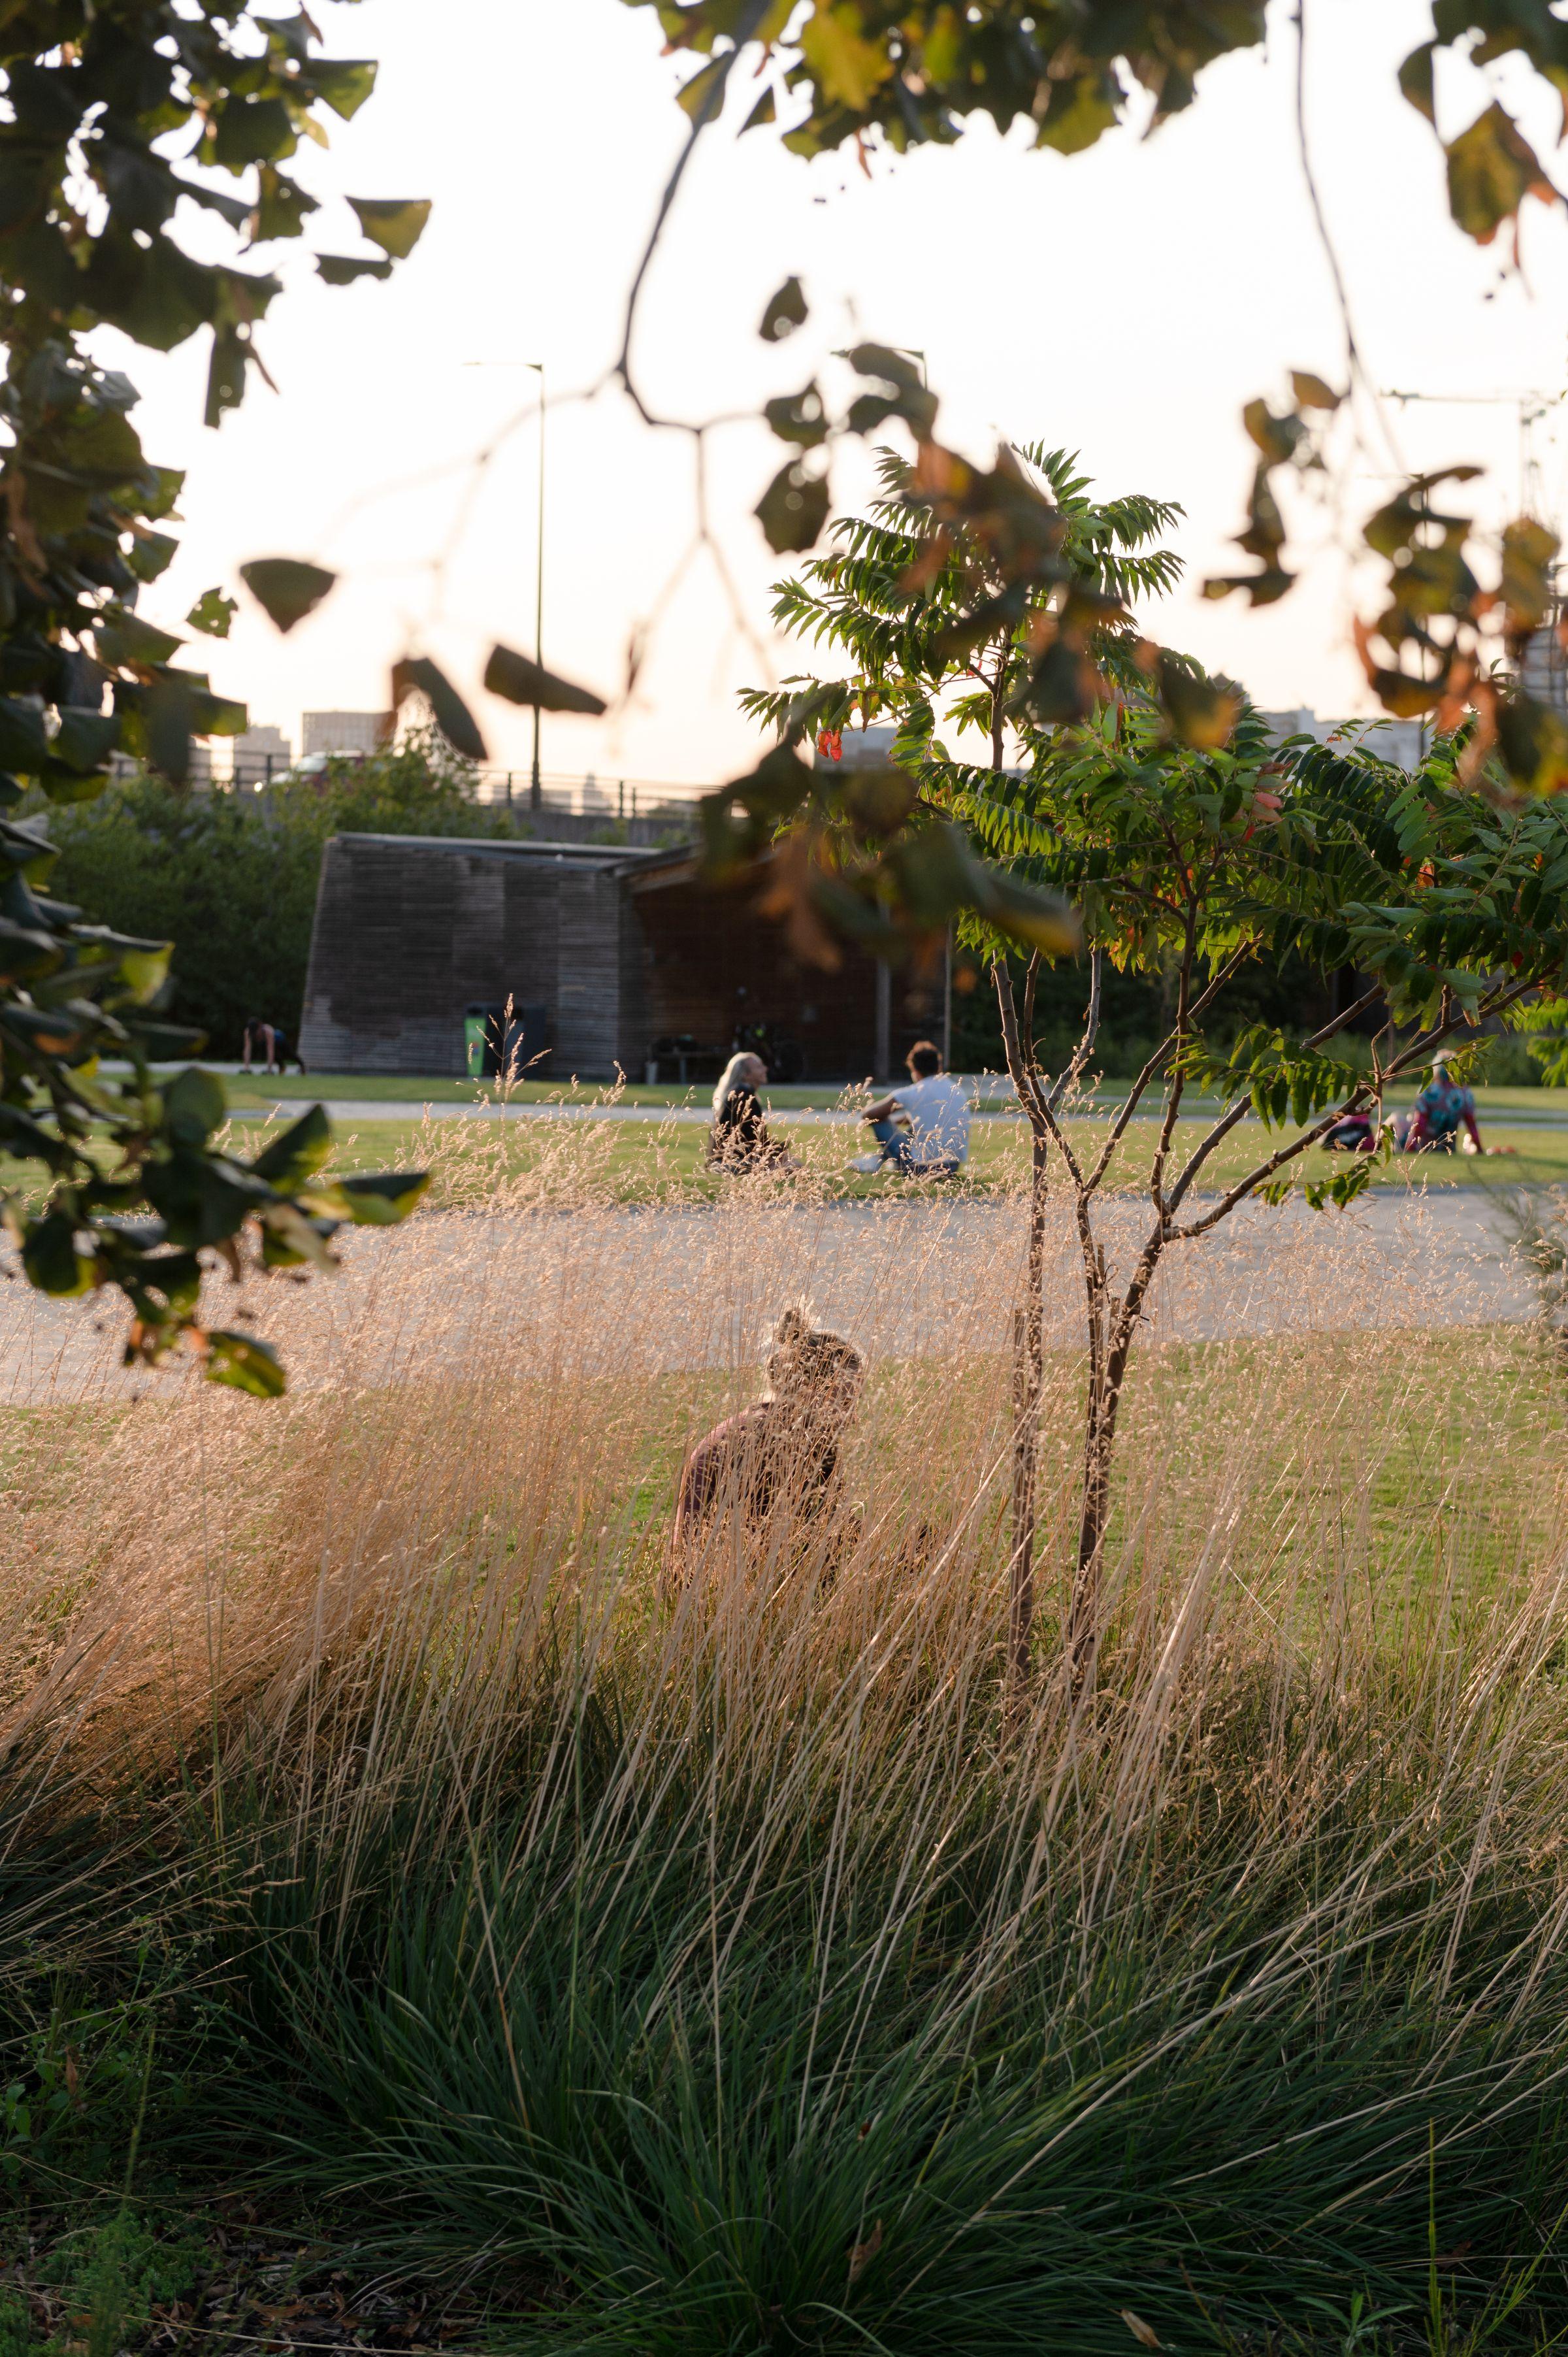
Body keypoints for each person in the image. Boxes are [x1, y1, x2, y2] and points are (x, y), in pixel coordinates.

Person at [670, 1308, 864, 1568]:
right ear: (812, 1389)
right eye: (847, 1401)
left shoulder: (757, 1429)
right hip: (725, 1595)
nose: (853, 1417)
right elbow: (811, 1552)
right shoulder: (774, 1446)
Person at [851, 1040, 970, 1176]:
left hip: (918, 1167)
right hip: (952, 1166)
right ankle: (878, 1160)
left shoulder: (912, 1092)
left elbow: (869, 1115)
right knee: (914, 1128)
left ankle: (877, 1161)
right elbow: (930, 1116)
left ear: (914, 1069)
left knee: (880, 1122)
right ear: (939, 1067)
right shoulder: (957, 1090)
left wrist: (890, 1123)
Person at [708, 1051, 794, 1171]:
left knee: (788, 1161)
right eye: (759, 1067)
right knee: (792, 1166)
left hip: (721, 1160)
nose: (765, 1069)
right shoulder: (744, 1097)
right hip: (728, 1163)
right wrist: (782, 1147)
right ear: (746, 1075)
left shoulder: (736, 1093)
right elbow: (758, 1141)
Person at [1400, 1049, 1482, 1155]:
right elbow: (1471, 1126)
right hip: (1448, 1148)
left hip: (1423, 1147)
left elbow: (1419, 1125)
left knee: (1396, 1117)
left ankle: (1375, 1147)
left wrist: (1409, 1149)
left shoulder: (1428, 1090)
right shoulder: (1465, 1093)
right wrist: (1480, 1149)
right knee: (1469, 1140)